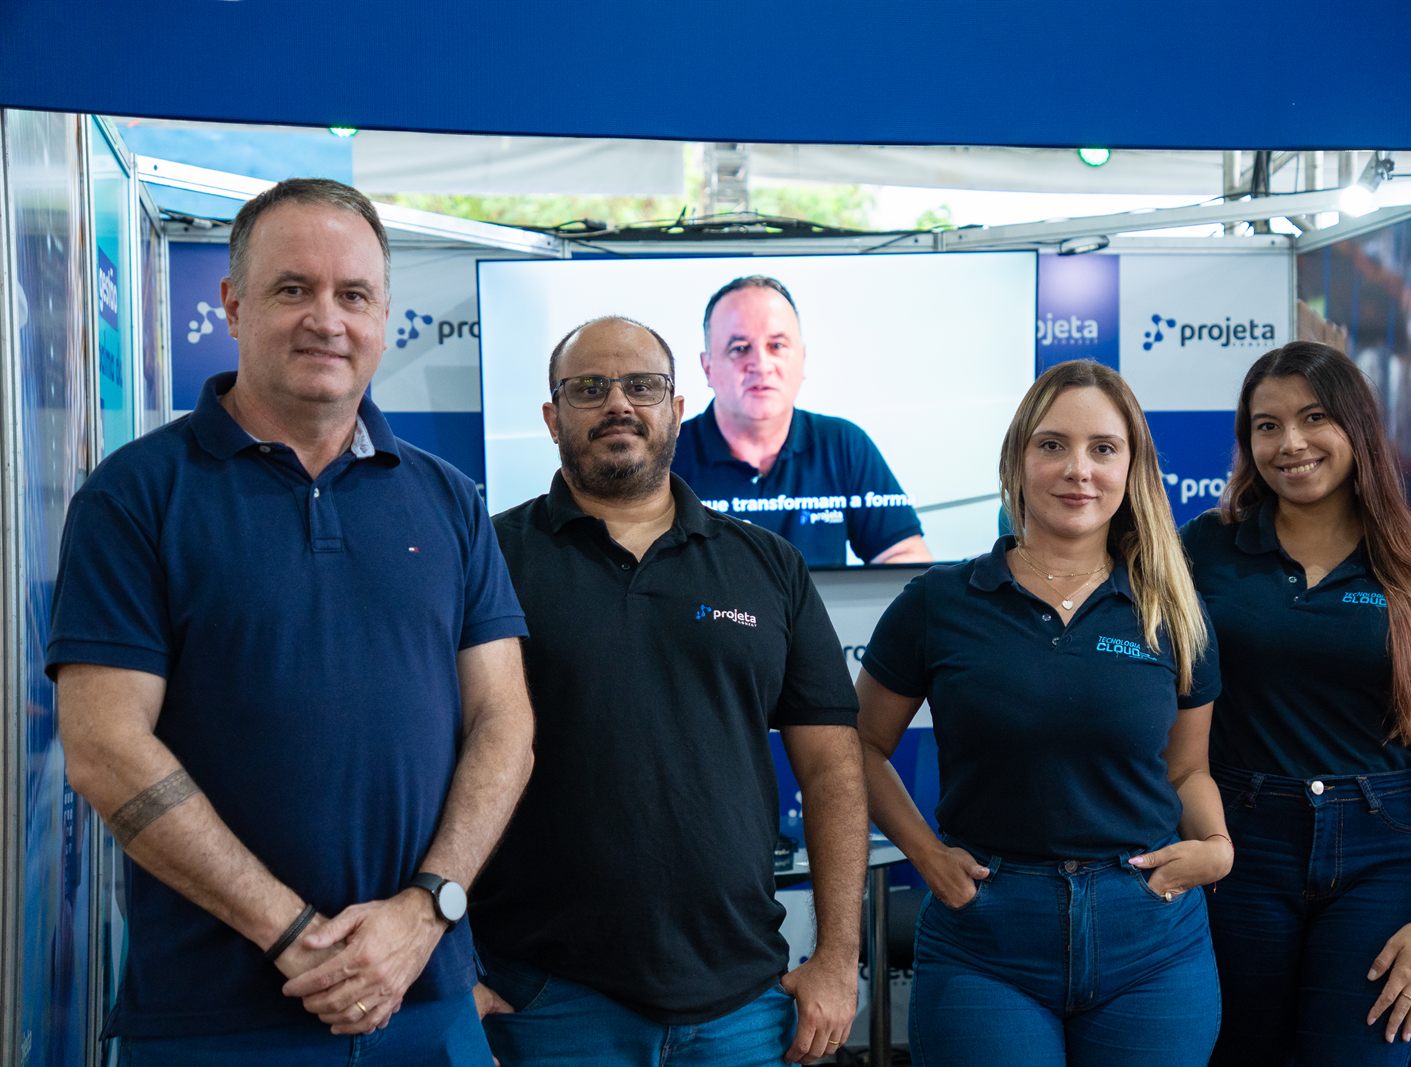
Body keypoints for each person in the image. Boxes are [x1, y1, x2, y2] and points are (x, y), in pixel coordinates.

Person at [48, 178, 535, 1065]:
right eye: (293, 288)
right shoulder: (135, 496)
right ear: (233, 305)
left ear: (384, 314)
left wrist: (427, 910)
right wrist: (296, 935)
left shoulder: (449, 501)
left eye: (354, 295)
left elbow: (505, 722)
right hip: (215, 1020)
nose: (327, 319)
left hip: (425, 1001)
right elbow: (104, 746)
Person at [471, 315, 868, 1066]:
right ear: (553, 418)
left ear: (677, 410)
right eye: (590, 388)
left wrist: (838, 957)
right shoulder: (487, 558)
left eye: (643, 385)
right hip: (547, 999)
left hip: (742, 998)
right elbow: (426, 763)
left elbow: (832, 770)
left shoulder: (768, 565)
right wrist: (451, 964)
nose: (618, 403)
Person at [856, 359, 1231, 1066]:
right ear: (1017, 459)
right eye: (1052, 444)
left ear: (1132, 469)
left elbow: (1187, 770)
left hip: (1150, 932)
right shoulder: (939, 603)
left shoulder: (1173, 607)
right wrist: (925, 854)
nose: (1077, 470)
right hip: (987, 936)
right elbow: (859, 746)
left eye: (1103, 448)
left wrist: (1216, 844)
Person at [1180, 341, 1411, 1065]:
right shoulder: (1205, 549)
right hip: (1238, 843)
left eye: (1314, 417)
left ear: (1356, 426)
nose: (1290, 443)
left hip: (1384, 854)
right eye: (1267, 425)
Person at [672, 275, 933, 566]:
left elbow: (904, 556)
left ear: (803, 359)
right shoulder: (666, 454)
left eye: (777, 345)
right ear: (707, 367)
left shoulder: (843, 444)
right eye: (740, 348)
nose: (762, 365)